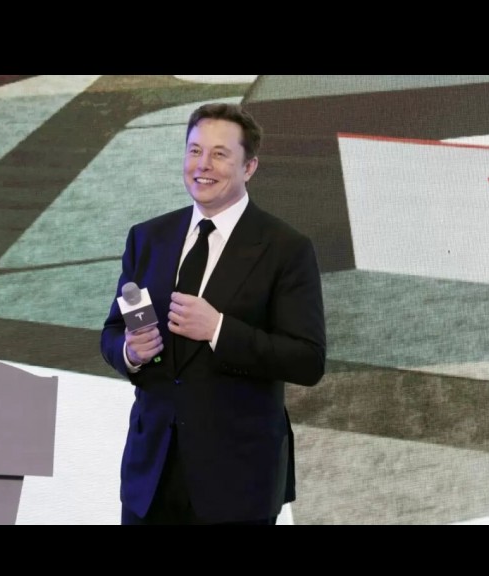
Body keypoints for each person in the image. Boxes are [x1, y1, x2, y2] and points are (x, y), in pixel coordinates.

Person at [100, 102, 326, 525]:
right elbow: (113, 330)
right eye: (195, 151)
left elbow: (308, 360)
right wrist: (129, 352)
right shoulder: (147, 237)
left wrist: (218, 329)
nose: (203, 165)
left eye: (220, 154)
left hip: (238, 482)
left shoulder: (286, 248)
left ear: (249, 167)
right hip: (150, 477)